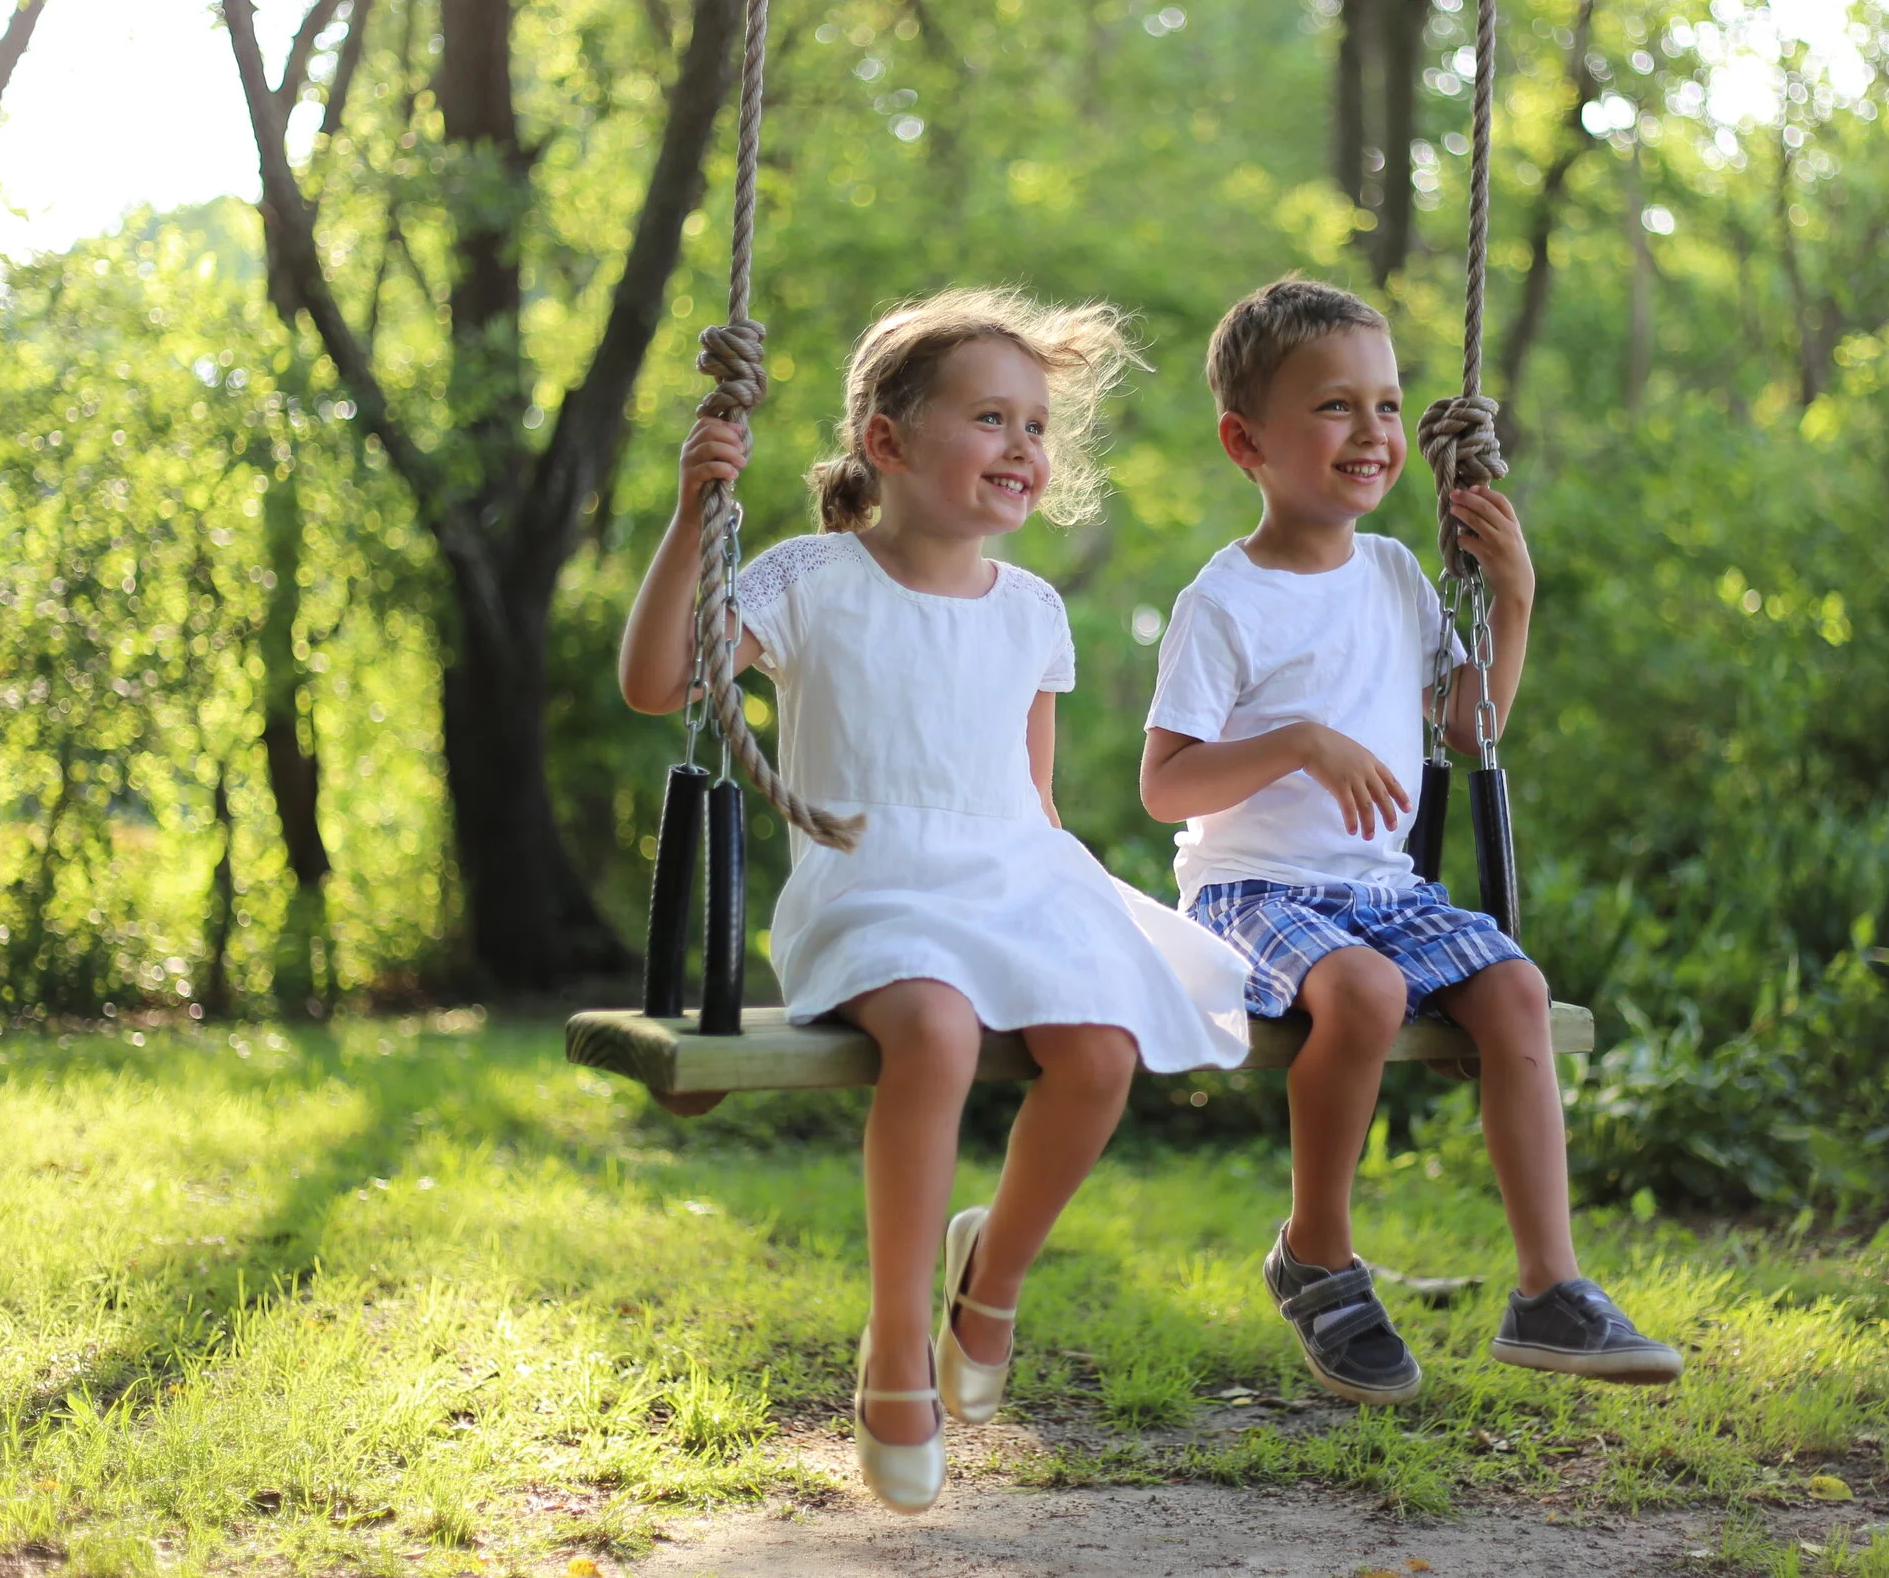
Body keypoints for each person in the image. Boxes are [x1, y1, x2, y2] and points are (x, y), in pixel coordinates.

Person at [621, 289, 1249, 1514]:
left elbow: (1032, 800)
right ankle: (895, 1340)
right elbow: (658, 681)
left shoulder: (1032, 609)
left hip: (1013, 875)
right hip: (871, 879)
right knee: (939, 1030)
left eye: (1035, 424)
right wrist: (696, 509)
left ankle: (993, 1277)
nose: (1023, 446)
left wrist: (1074, 930)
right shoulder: (808, 577)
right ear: (887, 440)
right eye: (989, 419)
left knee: (1102, 1048)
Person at [1140, 278, 1682, 1406]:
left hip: (1377, 888)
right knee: (1369, 995)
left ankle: (1549, 1287)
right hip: (1251, 889)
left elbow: (1468, 726)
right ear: (1247, 439)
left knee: (1517, 990)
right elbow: (1164, 784)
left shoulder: (1391, 571)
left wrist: (1515, 599)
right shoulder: (1224, 600)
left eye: (1385, 405)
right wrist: (1297, 741)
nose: (1373, 432)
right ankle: (1319, 1255)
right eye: (1334, 407)